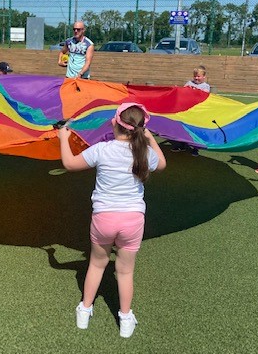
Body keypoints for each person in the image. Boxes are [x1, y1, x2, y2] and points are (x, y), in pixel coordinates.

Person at [57, 102, 166, 338]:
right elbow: (163, 163)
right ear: (141, 129)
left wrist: (63, 138)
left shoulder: (102, 150)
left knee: (97, 264)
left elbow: (69, 163)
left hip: (104, 218)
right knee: (125, 272)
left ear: (114, 123)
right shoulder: (145, 153)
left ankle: (85, 310)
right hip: (133, 221)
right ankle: (125, 319)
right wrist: (150, 139)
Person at [170, 66, 211, 156]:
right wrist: (178, 90)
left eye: (199, 76)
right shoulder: (189, 83)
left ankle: (195, 148)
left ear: (204, 76)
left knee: (195, 130)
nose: (196, 78)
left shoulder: (206, 86)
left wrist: (193, 91)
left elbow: (203, 96)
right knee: (183, 128)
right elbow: (183, 93)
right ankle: (181, 145)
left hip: (198, 113)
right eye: (195, 76)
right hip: (187, 111)